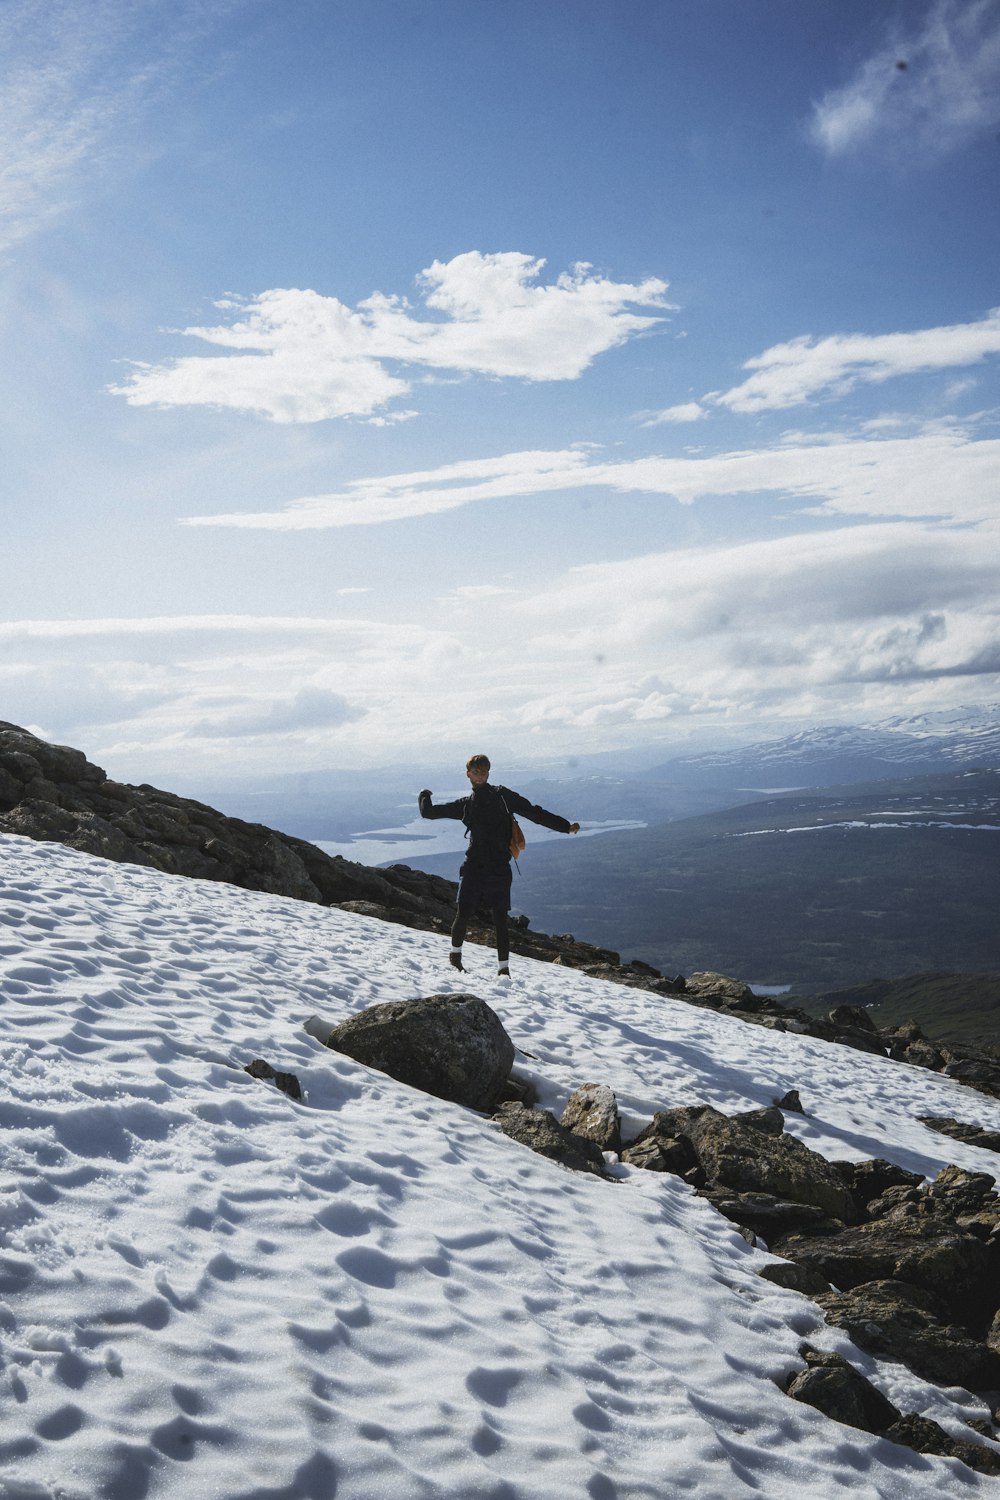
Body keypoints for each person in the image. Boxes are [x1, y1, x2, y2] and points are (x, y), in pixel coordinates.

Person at [418, 754, 580, 978]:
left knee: (500, 920)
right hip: (474, 865)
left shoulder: (503, 796)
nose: (481, 775)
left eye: (484, 771)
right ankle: (455, 959)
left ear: (488, 773)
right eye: (476, 771)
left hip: (498, 868)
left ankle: (504, 970)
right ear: (468, 774)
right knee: (463, 912)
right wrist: (424, 795)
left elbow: (534, 812)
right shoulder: (467, 805)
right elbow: (429, 813)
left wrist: (565, 826)